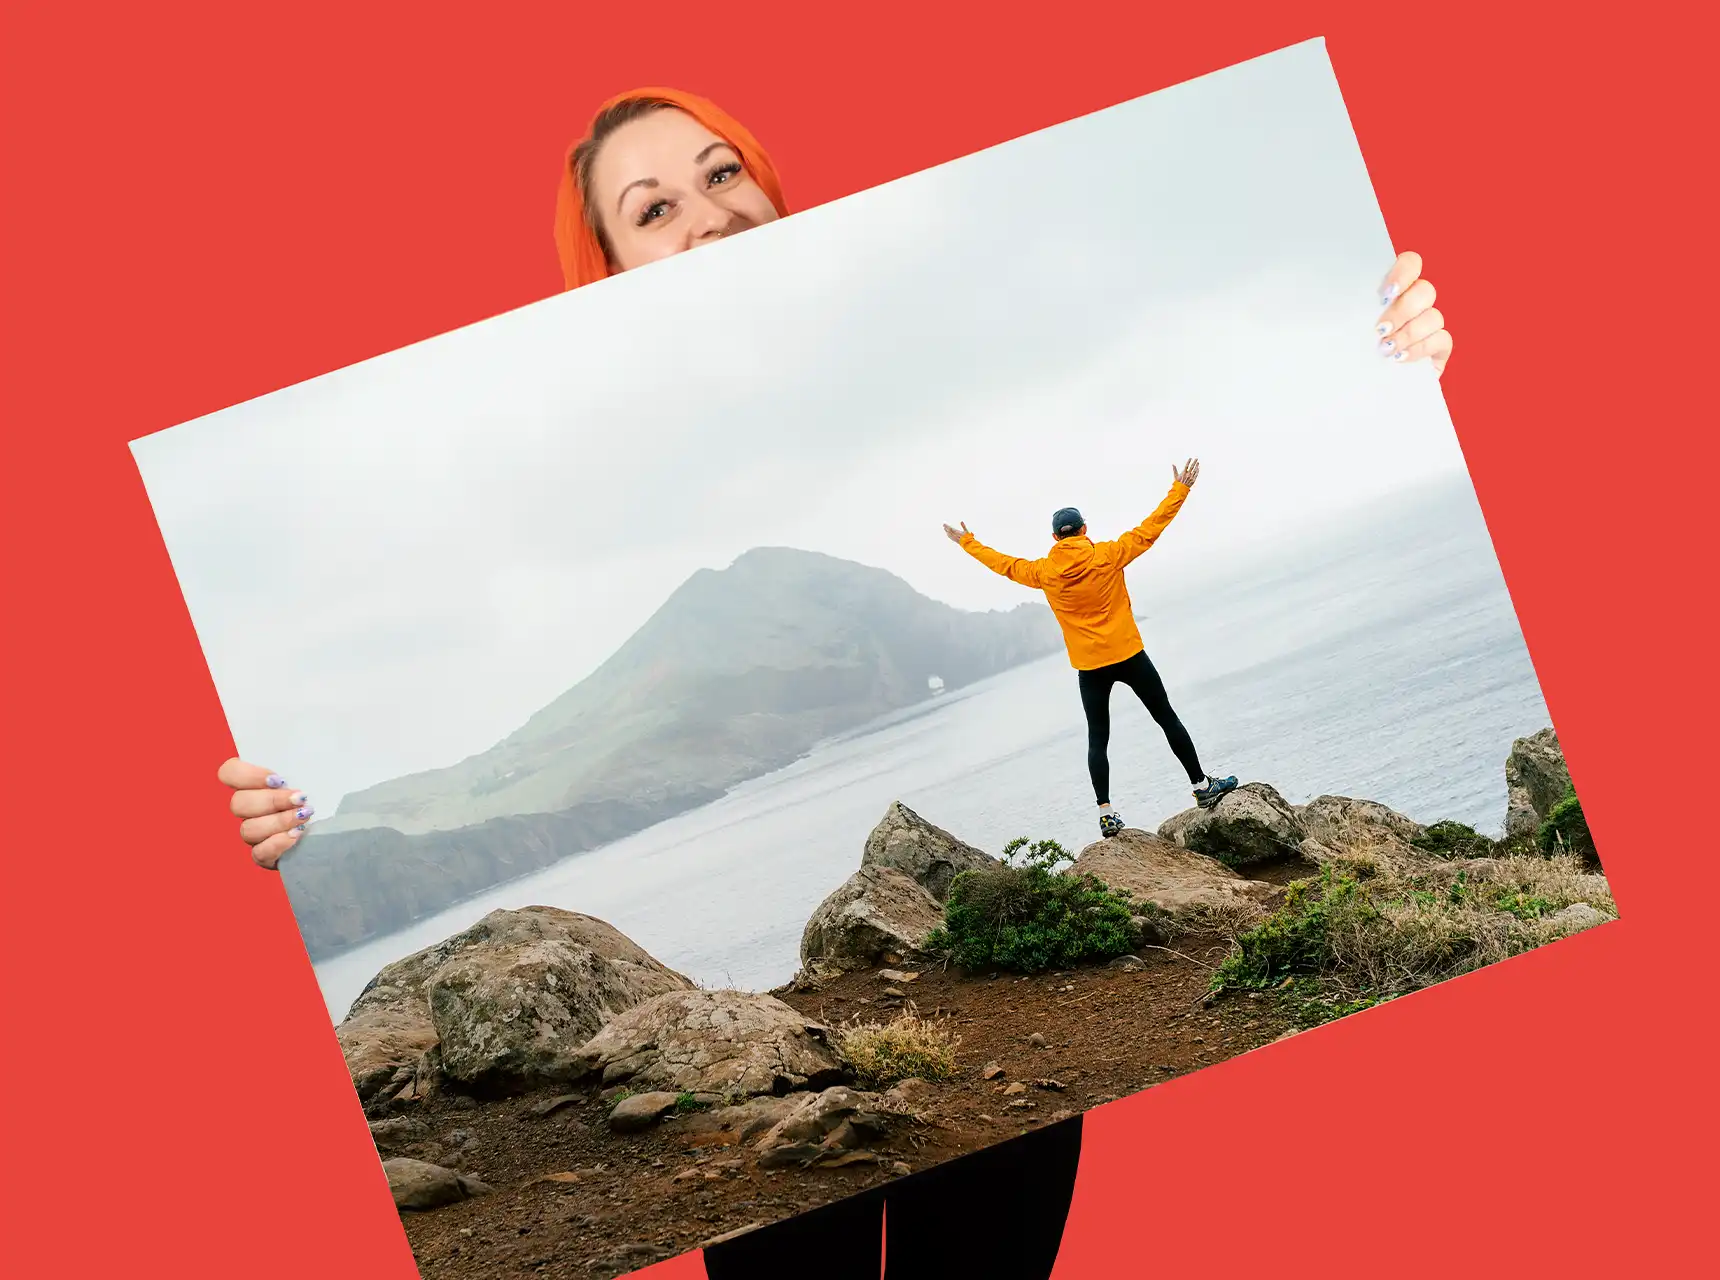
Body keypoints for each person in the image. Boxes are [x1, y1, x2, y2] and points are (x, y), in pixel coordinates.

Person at [210, 86, 1459, 1280]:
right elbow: (1139, 529)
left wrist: (1422, 335)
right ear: (602, 268)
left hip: (1082, 688)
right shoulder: (561, 414)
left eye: (722, 171)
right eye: (652, 208)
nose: (706, 213)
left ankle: (1108, 805)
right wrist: (252, 826)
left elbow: (1017, 558)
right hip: (1114, 659)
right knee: (1164, 718)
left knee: (1095, 776)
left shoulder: (984, 472)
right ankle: (1172, 788)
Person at [945, 458, 1232, 839]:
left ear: (1055, 538)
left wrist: (967, 542)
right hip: (1129, 654)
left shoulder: (1043, 572)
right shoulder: (1109, 554)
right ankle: (1201, 786)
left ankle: (1106, 813)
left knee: (1098, 738)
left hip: (1090, 667)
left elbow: (1004, 565)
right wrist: (1180, 489)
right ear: (1084, 530)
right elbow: (1151, 528)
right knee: (1166, 717)